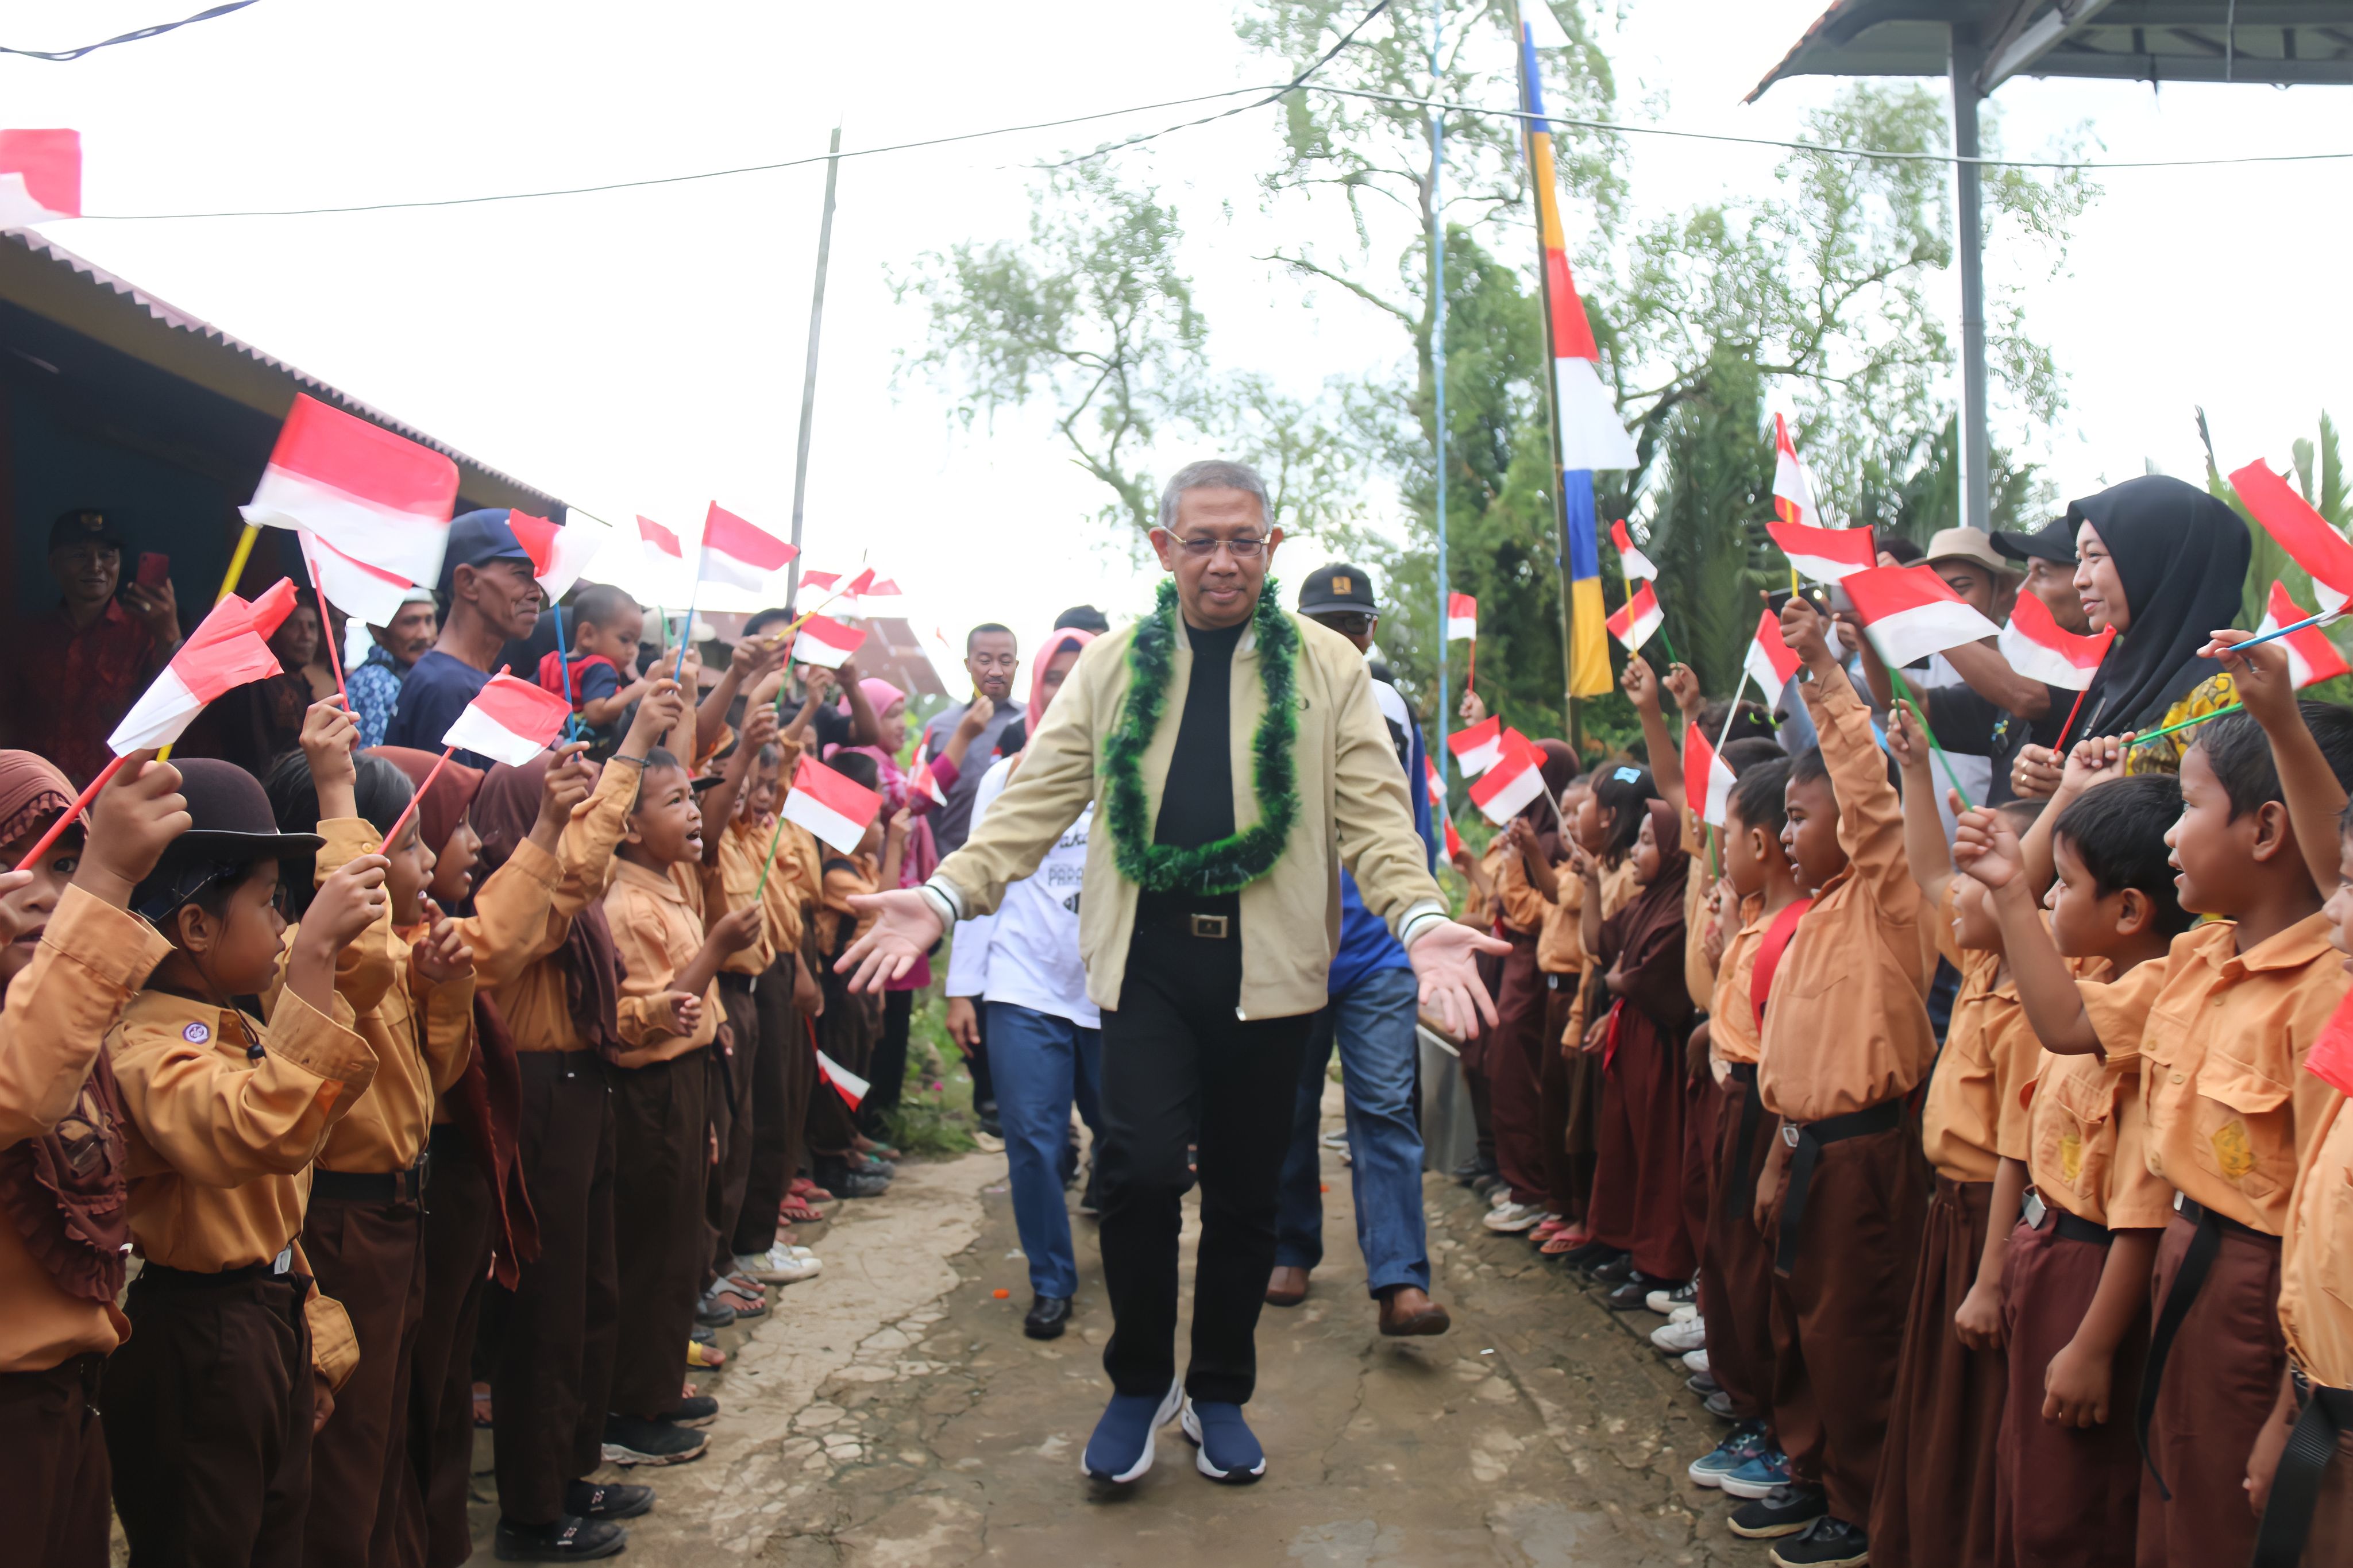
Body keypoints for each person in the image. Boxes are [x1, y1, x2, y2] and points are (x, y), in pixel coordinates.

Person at [836, 458, 1502, 1488]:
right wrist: (939, 899)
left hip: (1273, 971)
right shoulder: (1113, 666)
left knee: (1244, 1195)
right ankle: (1138, 1382)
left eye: (1244, 539)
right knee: (1139, 1172)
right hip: (1145, 963)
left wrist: (1422, 920)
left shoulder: (1327, 669)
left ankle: (1221, 1392)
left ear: (1271, 547)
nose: (1224, 560)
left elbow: (1375, 818)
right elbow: (1031, 803)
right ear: (1163, 549)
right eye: (1201, 540)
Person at [1982, 693, 2353, 1568]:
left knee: (2226, 1521)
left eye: (2189, 805)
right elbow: (2069, 1020)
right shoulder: (2198, 959)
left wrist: (2288, 1405)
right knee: (2167, 1498)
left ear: (2267, 831)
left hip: (2257, 1296)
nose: (2171, 835)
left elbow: (2314, 1219)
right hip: (2187, 1266)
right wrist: (2009, 890)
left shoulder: (2321, 992)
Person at [101, 759, 388, 1565]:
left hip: (261, 1319)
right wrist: (315, 960)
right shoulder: (145, 1046)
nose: (284, 923)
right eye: (269, 902)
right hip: (198, 1337)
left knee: (274, 1537)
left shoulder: (235, 1023)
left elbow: (273, 1217)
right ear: (196, 928)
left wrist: (311, 1333)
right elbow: (259, 1130)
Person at [1732, 594, 1938, 1564]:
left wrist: (1821, 668)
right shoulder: (1811, 919)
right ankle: (1810, 1469)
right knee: (1801, 1326)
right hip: (1804, 1149)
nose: (1788, 832)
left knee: (1857, 1335)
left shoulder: (1886, 902)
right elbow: (1790, 1066)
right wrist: (1777, 1157)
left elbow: (1864, 791)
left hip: (1866, 1158)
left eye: (1798, 816)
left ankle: (1860, 1504)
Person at [261, 704, 484, 1568]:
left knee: (389, 1437)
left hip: (400, 1211)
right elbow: (349, 955)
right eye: (411, 844)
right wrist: (335, 784)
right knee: (347, 1457)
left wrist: (444, 991)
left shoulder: (394, 950)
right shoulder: (311, 956)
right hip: (344, 1223)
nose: (426, 864)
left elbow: (440, 1077)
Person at [1955, 771, 2184, 1567]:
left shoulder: (2153, 1005)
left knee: (2072, 1504)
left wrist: (2091, 1345)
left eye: (2067, 885)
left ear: (2128, 911)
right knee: (2027, 1474)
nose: (2051, 902)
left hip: (2092, 1275)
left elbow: (2141, 1215)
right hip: (2045, 1250)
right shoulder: (2098, 975)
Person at [482, 681, 687, 1557]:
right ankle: (531, 1510)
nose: (569, 826)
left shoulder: (557, 896)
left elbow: (582, 879)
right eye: (547, 802)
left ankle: (569, 1470)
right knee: (546, 1315)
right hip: (540, 1097)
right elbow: (578, 873)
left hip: (581, 1087)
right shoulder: (516, 899)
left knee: (589, 1298)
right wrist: (634, 741)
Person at [1868, 700, 2050, 1568]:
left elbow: (2018, 1149)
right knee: (1937, 1401)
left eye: (1987, 874)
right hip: (1952, 1211)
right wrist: (1911, 769)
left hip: (1996, 1226)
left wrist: (1988, 1277)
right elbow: (1930, 867)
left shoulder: (2041, 1008)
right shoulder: (1981, 962)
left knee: (1977, 1414)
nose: (1956, 891)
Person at [0, 752, 186, 1568]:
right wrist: (106, 874)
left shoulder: (86, 1027)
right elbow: (24, 1088)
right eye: (12, 864)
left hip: (69, 1399)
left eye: (66, 861)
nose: (43, 889)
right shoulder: (54, 1032)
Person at [1266, 563, 1449, 1337]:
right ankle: (1289, 1248)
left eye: (1354, 623)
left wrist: (1423, 924)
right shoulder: (1267, 701)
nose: (1342, 637)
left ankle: (1400, 1279)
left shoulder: (1391, 707)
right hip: (1291, 943)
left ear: (1370, 630)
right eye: (1326, 624)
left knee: (1382, 1106)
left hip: (1375, 948)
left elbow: (1413, 829)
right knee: (1288, 1108)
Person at [602, 735, 766, 1462]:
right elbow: (650, 1015)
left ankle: (659, 1381)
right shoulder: (624, 904)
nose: (695, 813)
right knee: (648, 1251)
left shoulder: (670, 882)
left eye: (692, 798)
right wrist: (718, 949)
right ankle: (632, 1408)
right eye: (675, 802)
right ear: (629, 826)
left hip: (689, 1078)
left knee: (676, 1249)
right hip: (650, 1087)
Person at [944, 627, 1102, 1340]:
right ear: (1035, 691)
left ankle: (1134, 1259)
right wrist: (961, 988)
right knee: (1033, 1142)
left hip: (1110, 990)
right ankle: (1051, 1278)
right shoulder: (1005, 779)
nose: (1066, 692)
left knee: (1130, 1143)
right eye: (1053, 680)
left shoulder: (1132, 775)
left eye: (1082, 678)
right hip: (1023, 984)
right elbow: (981, 878)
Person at [1682, 757, 1799, 1498]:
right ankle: (1747, 1398)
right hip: (1737, 1095)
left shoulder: (1795, 928)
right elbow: (1715, 1001)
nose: (1721, 849)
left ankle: (1770, 1419)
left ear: (1761, 844)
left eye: (1727, 834)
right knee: (1725, 1254)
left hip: (1767, 1105)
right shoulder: (1755, 920)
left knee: (1758, 1269)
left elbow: (1777, 1035)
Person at [2009, 475, 2251, 797]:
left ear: (2159, 560)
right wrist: (2050, 785)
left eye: (2094, 556)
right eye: (2079, 559)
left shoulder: (2225, 690)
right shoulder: (2112, 679)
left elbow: (2220, 826)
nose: (2079, 580)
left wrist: (2080, 799)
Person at [1, 508, 182, 787]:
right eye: (79, 555)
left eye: (107, 555)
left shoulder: (144, 636)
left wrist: (170, 637)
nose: (95, 566)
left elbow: (174, 710)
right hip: (37, 799)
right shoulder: (26, 639)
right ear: (54, 565)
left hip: (112, 800)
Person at [385, 509, 545, 766]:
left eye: (538, 577)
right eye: (521, 574)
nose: (537, 593)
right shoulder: (448, 687)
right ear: (468, 582)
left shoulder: (453, 678)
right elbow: (447, 805)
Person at [919, 624, 1025, 855]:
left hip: (1016, 861)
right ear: (968, 664)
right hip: (949, 860)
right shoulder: (939, 728)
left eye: (1006, 662)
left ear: (1016, 665)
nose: (996, 671)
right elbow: (921, 801)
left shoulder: (1034, 723)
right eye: (985, 661)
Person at [540, 584, 665, 752]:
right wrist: (637, 690)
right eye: (625, 639)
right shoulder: (601, 667)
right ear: (588, 635)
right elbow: (596, 713)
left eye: (636, 642)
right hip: (585, 755)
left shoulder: (550, 661)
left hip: (546, 745)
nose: (633, 650)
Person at [349, 587, 439, 750]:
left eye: (429, 620)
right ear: (378, 631)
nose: (424, 635)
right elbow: (373, 762)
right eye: (411, 622)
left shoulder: (423, 673)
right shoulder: (373, 681)